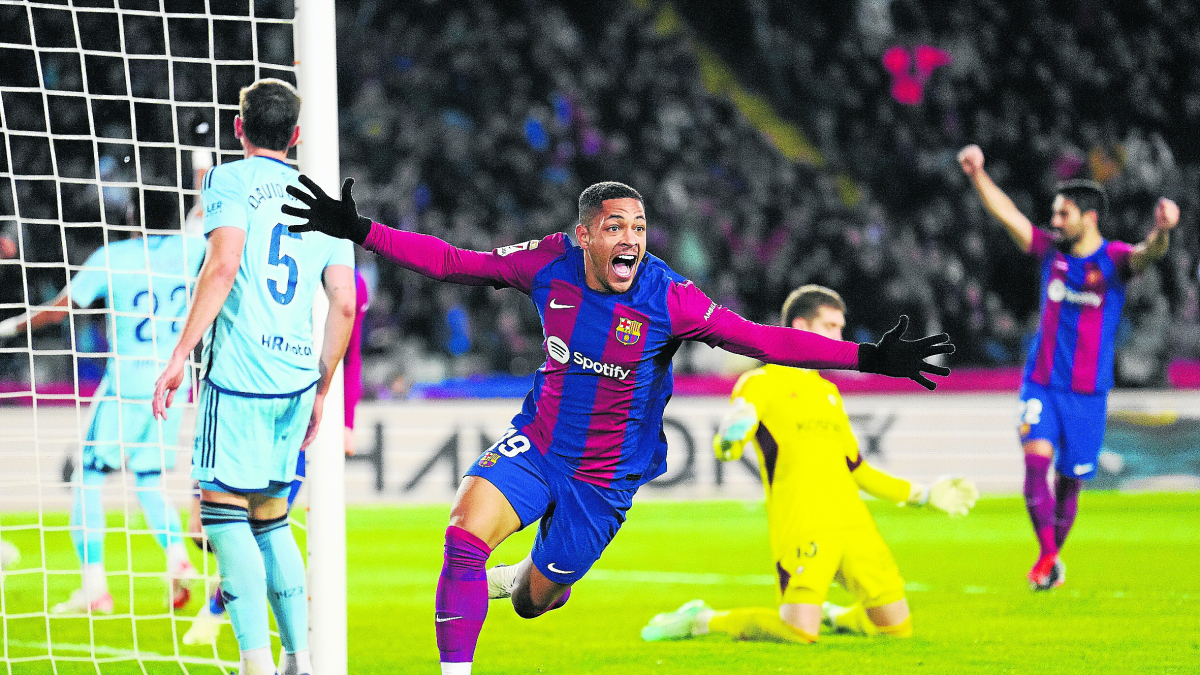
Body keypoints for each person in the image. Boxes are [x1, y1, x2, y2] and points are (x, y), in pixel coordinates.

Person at [283, 178, 954, 674]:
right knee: (462, 539)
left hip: (604, 480)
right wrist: (361, 230)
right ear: (584, 235)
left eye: (638, 226)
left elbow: (762, 339)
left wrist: (868, 357)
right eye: (614, 226)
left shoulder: (670, 297)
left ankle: (525, 577)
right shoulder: (548, 263)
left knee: (534, 601)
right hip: (538, 444)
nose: (630, 238)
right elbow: (457, 262)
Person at [152, 78, 357, 675]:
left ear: (238, 128)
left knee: (222, 518)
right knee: (271, 520)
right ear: (296, 135)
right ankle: (300, 658)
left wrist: (179, 355)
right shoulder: (327, 200)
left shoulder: (227, 180)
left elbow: (223, 265)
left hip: (240, 375)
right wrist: (322, 388)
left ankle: (256, 663)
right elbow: (345, 303)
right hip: (296, 379)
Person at [639, 285, 978, 644]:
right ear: (800, 327)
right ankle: (702, 620)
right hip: (803, 526)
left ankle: (834, 616)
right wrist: (728, 439)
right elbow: (732, 441)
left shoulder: (828, 392)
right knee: (799, 632)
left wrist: (924, 495)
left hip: (854, 525)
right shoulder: (760, 382)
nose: (840, 338)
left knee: (896, 629)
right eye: (830, 327)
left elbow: (857, 470)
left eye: (841, 328)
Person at [957, 144, 1180, 590]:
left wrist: (1162, 230)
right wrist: (977, 174)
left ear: (1089, 218)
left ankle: (1051, 558)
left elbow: (1149, 252)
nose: (1054, 221)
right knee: (1034, 465)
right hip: (1041, 383)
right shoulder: (1049, 253)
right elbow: (1008, 216)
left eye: (1063, 214)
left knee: (1069, 484)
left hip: (1088, 393)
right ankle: (1046, 557)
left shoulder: (1114, 260)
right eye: (1054, 214)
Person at [0, 199, 205, 615]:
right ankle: (178, 558)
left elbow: (64, 307)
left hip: (128, 383)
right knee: (147, 480)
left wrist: (11, 326)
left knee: (86, 477)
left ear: (130, 218)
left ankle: (95, 589)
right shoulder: (193, 248)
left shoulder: (113, 257)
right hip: (174, 382)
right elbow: (202, 216)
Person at [183, 269, 368, 647]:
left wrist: (346, 420)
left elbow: (352, 354)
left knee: (261, 526)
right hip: (242, 402)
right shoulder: (254, 259)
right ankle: (276, 647)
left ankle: (224, 618)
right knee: (206, 532)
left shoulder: (347, 279)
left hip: (292, 414)